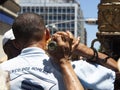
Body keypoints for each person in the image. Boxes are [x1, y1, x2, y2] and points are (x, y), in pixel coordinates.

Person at [0, 12, 117, 90]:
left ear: (16, 43)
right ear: (47, 34)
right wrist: (81, 49)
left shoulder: (2, 71)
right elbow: (116, 70)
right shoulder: (70, 68)